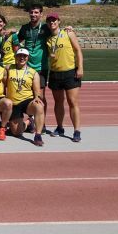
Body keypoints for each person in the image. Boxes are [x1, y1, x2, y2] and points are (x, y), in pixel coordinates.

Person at [46, 13, 84, 142]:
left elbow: (78, 50)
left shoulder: (68, 33)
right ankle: (60, 127)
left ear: (59, 21)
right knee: (58, 102)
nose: (52, 22)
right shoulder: (47, 38)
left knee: (72, 102)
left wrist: (80, 68)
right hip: (55, 73)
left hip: (69, 72)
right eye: (49, 21)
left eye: (54, 20)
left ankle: (77, 130)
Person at [16, 4, 52, 135]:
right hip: (26, 67)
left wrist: (68, 29)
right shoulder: (25, 28)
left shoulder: (46, 28)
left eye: (36, 12)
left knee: (40, 96)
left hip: (41, 67)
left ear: (41, 14)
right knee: (27, 95)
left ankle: (42, 123)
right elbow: (16, 41)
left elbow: (57, 32)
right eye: (31, 12)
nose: (33, 15)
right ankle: (31, 121)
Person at [7, 48, 46, 146]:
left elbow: (37, 89)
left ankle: (38, 135)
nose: (22, 58)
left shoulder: (33, 72)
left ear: (27, 58)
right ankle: (29, 122)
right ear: (16, 57)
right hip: (13, 103)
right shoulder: (9, 68)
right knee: (16, 132)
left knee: (39, 106)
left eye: (24, 56)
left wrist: (37, 97)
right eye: (19, 56)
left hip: (26, 101)